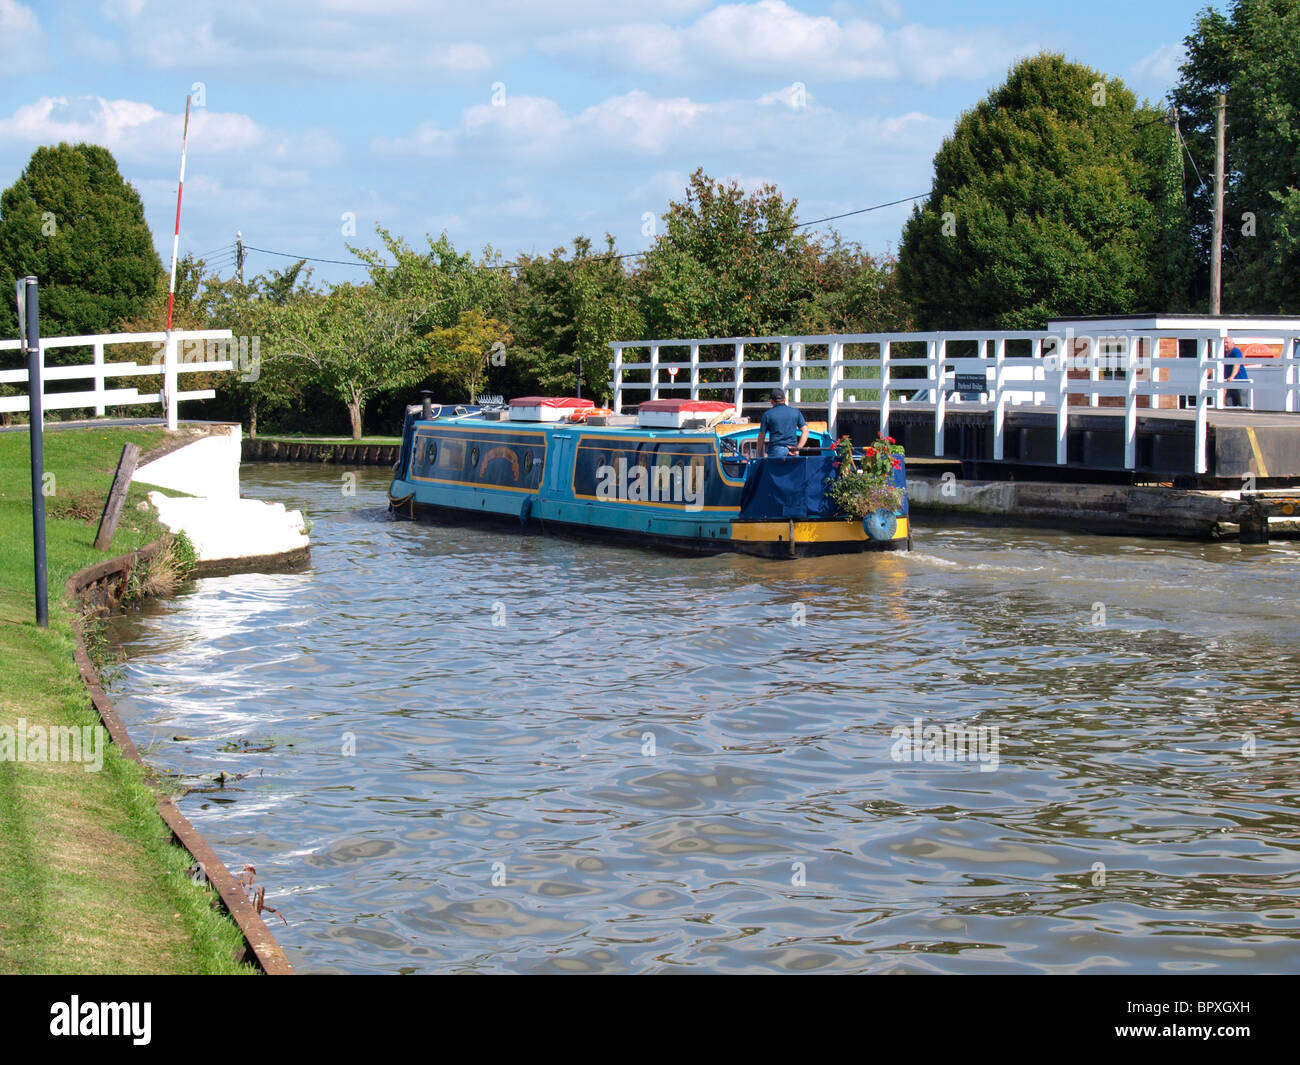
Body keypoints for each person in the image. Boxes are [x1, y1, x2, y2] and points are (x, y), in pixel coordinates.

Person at [756, 387, 808, 458]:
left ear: (771, 401)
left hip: (776, 451)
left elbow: (762, 436)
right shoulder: (796, 412)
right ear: (785, 399)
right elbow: (805, 431)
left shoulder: (767, 415)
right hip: (793, 449)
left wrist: (759, 453)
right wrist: (798, 449)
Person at [1223, 336, 1251, 408]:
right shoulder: (1223, 354)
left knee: (1243, 405)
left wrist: (1232, 376)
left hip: (1240, 383)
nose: (1225, 344)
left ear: (1232, 343)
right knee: (1229, 405)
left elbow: (1237, 364)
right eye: (1224, 343)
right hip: (1230, 384)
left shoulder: (1236, 351)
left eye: (1227, 343)